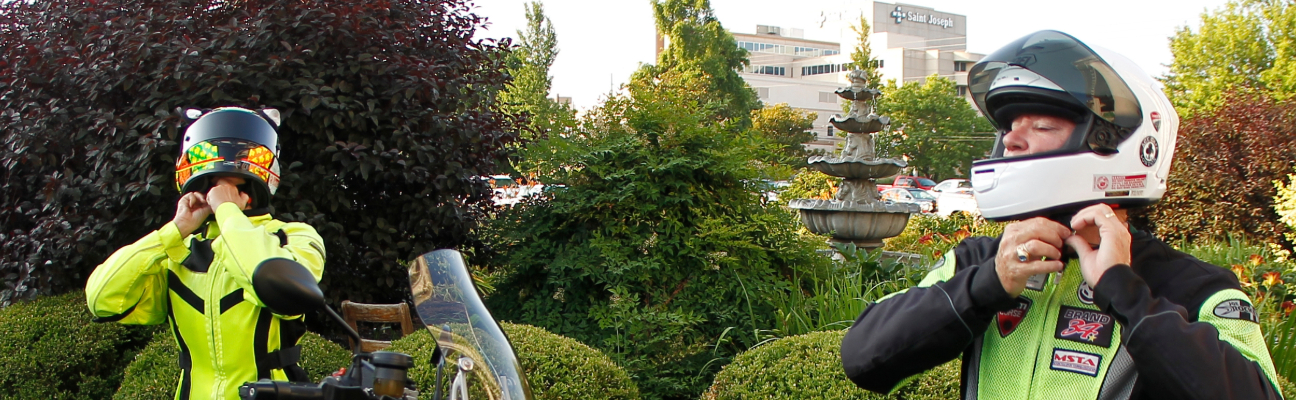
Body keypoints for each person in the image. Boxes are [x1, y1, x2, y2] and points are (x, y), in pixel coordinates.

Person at [840, 31, 1282, 399]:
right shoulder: (980, 261)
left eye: (1042, 126)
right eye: (1008, 128)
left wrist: (1125, 292)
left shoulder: (1191, 285)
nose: (1012, 142)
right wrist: (989, 284)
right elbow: (863, 357)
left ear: (1111, 143)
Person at [86, 107, 327, 400]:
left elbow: (273, 287)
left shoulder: (293, 236)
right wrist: (173, 231)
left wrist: (227, 212)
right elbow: (102, 299)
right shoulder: (178, 249)